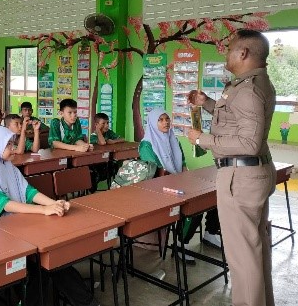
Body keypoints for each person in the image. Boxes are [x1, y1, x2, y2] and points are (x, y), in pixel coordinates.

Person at [187, 29, 276, 306]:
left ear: (243, 53)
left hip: (240, 177)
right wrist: (206, 103)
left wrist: (202, 139)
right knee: (255, 250)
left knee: (243, 257)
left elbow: (248, 142)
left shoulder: (248, 89)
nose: (225, 54)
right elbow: (235, 118)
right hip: (251, 174)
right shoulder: (253, 84)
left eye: (229, 49)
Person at [0, 126, 99, 306]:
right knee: (44, 265)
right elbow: (5, 204)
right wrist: (43, 210)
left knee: (52, 258)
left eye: (12, 143)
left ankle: (85, 302)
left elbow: (28, 192)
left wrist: (54, 203)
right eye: (8, 145)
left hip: (19, 228)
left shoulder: (8, 167)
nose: (13, 148)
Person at [140, 108, 220, 263]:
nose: (165, 122)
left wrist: (187, 180)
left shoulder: (174, 139)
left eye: (167, 119)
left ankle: (210, 233)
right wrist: (181, 183)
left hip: (176, 183)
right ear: (152, 123)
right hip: (157, 188)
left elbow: (182, 165)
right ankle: (181, 243)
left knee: (213, 194)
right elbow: (155, 172)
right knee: (194, 203)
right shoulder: (146, 145)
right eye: (160, 120)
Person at [89, 113, 124, 191]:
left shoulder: (109, 132)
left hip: (107, 160)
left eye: (107, 123)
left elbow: (122, 139)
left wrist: (113, 141)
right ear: (96, 124)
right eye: (103, 123)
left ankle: (116, 184)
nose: (106, 125)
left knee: (116, 165)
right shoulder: (93, 136)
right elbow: (102, 142)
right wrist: (98, 130)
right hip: (96, 162)